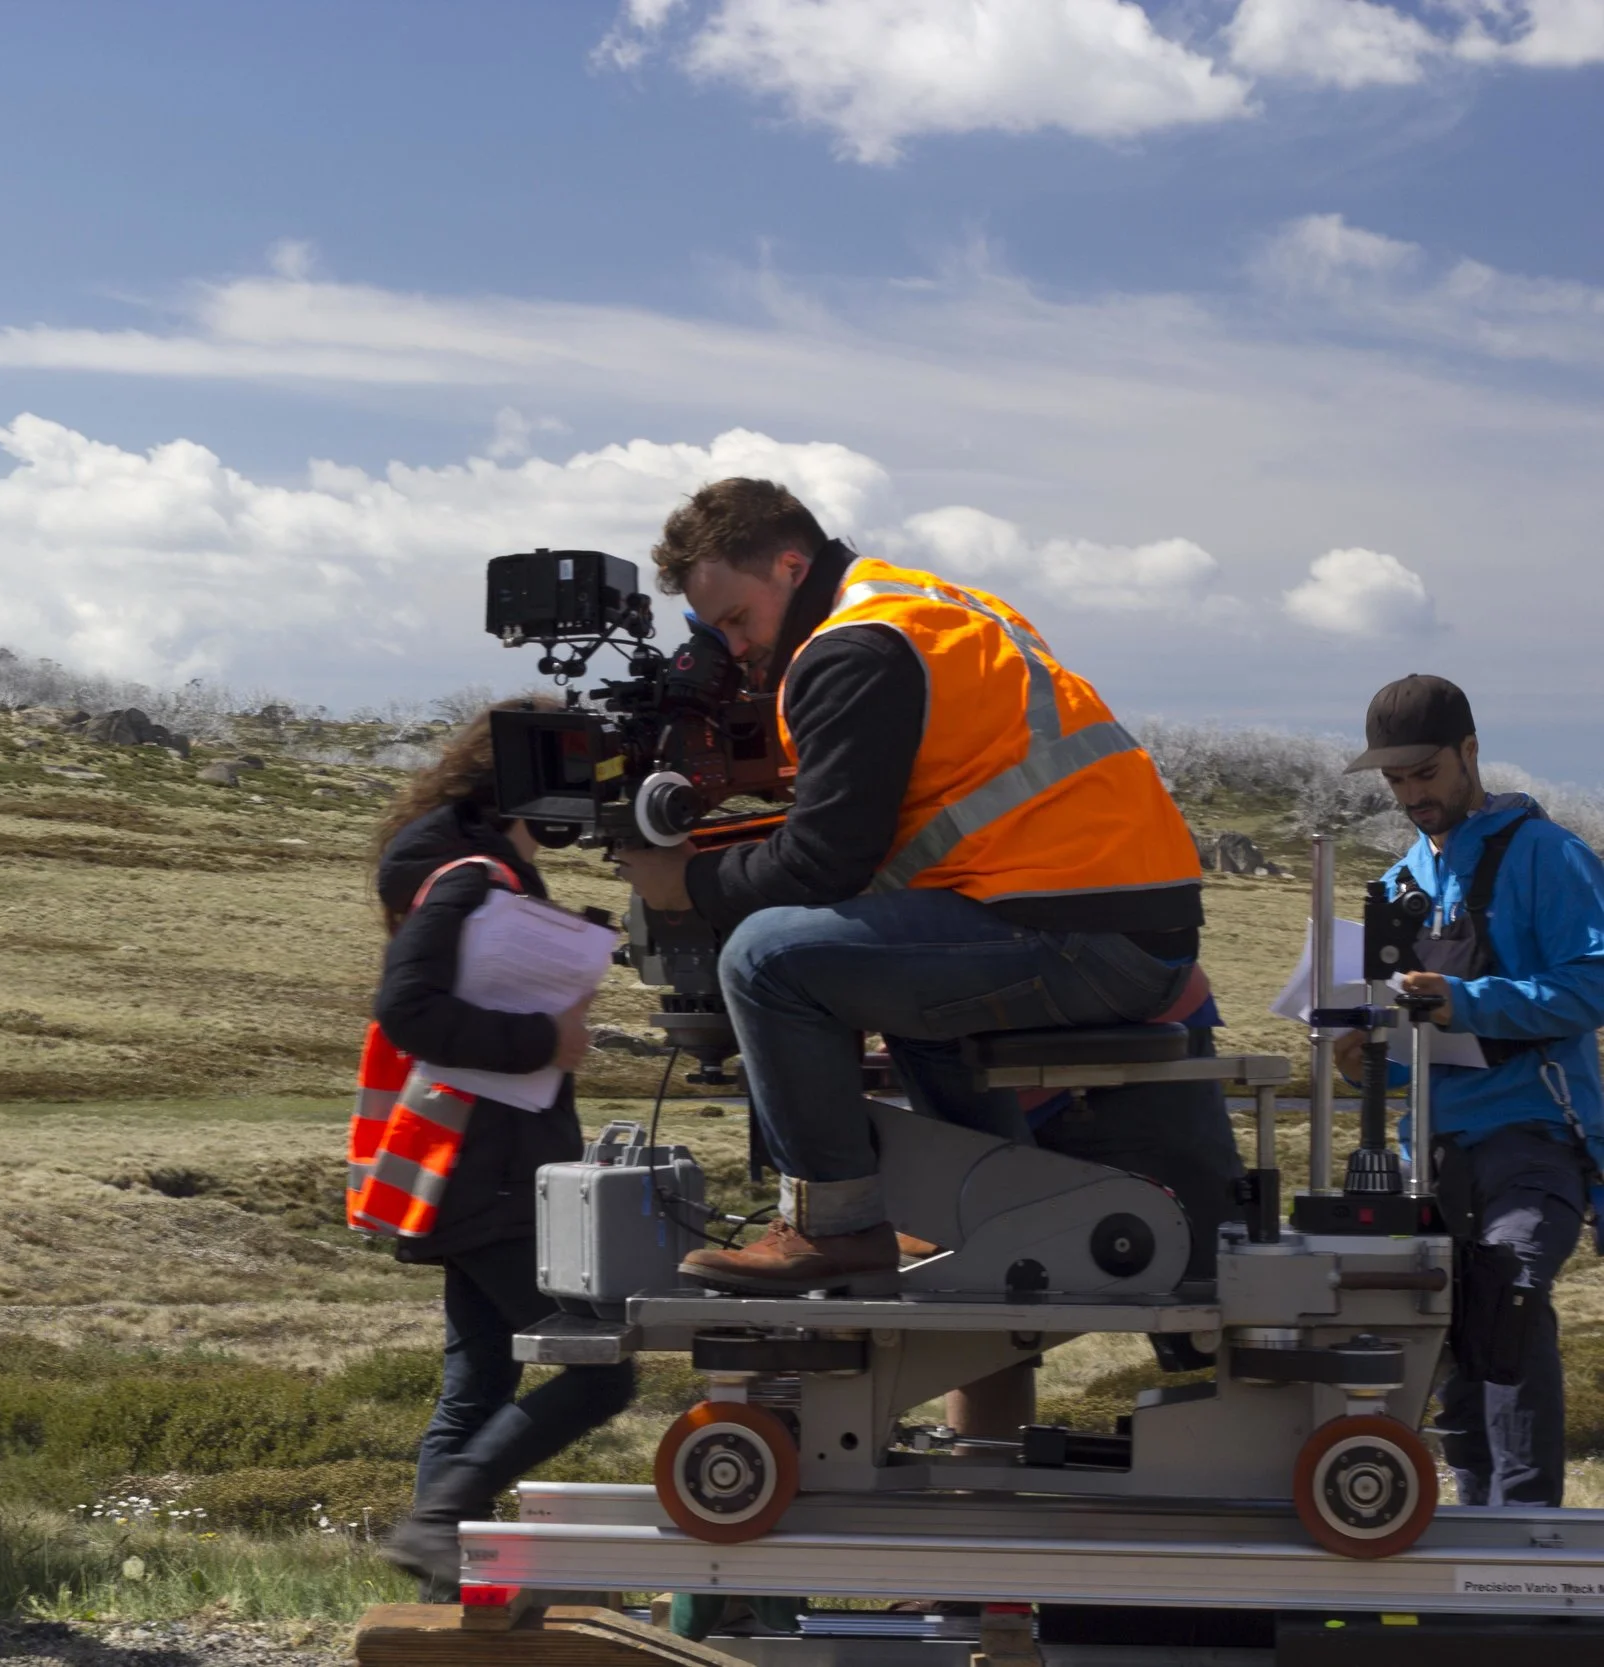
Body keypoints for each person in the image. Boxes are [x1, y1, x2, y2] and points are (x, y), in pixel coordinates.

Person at [614, 479, 1234, 1301]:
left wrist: (685, 880)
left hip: (1082, 935)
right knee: (883, 958)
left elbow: (822, 863)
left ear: (791, 566)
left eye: (737, 621)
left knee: (766, 960)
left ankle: (832, 1226)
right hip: (1110, 923)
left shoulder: (852, 647)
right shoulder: (925, 609)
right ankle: (979, 1210)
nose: (741, 648)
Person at [354, 707, 637, 1599]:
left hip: (468, 1166)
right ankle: (440, 1524)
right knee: (601, 1373)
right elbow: (407, 1007)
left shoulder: (459, 866)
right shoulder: (471, 878)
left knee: (478, 1380)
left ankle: (443, 1595)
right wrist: (540, 1040)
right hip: (491, 1171)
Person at [1334, 674, 1604, 1508]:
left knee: (1509, 1301)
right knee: (1444, 1330)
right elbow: (1415, 1046)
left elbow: (1593, 985)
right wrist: (1364, 1058)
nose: (1413, 794)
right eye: (1396, 782)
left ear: (1470, 752)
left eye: (1425, 773)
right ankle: (1474, 1533)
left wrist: (1468, 998)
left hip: (1538, 1140)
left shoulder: (1551, 856)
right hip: (1435, 1153)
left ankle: (1528, 1538)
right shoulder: (1396, 884)